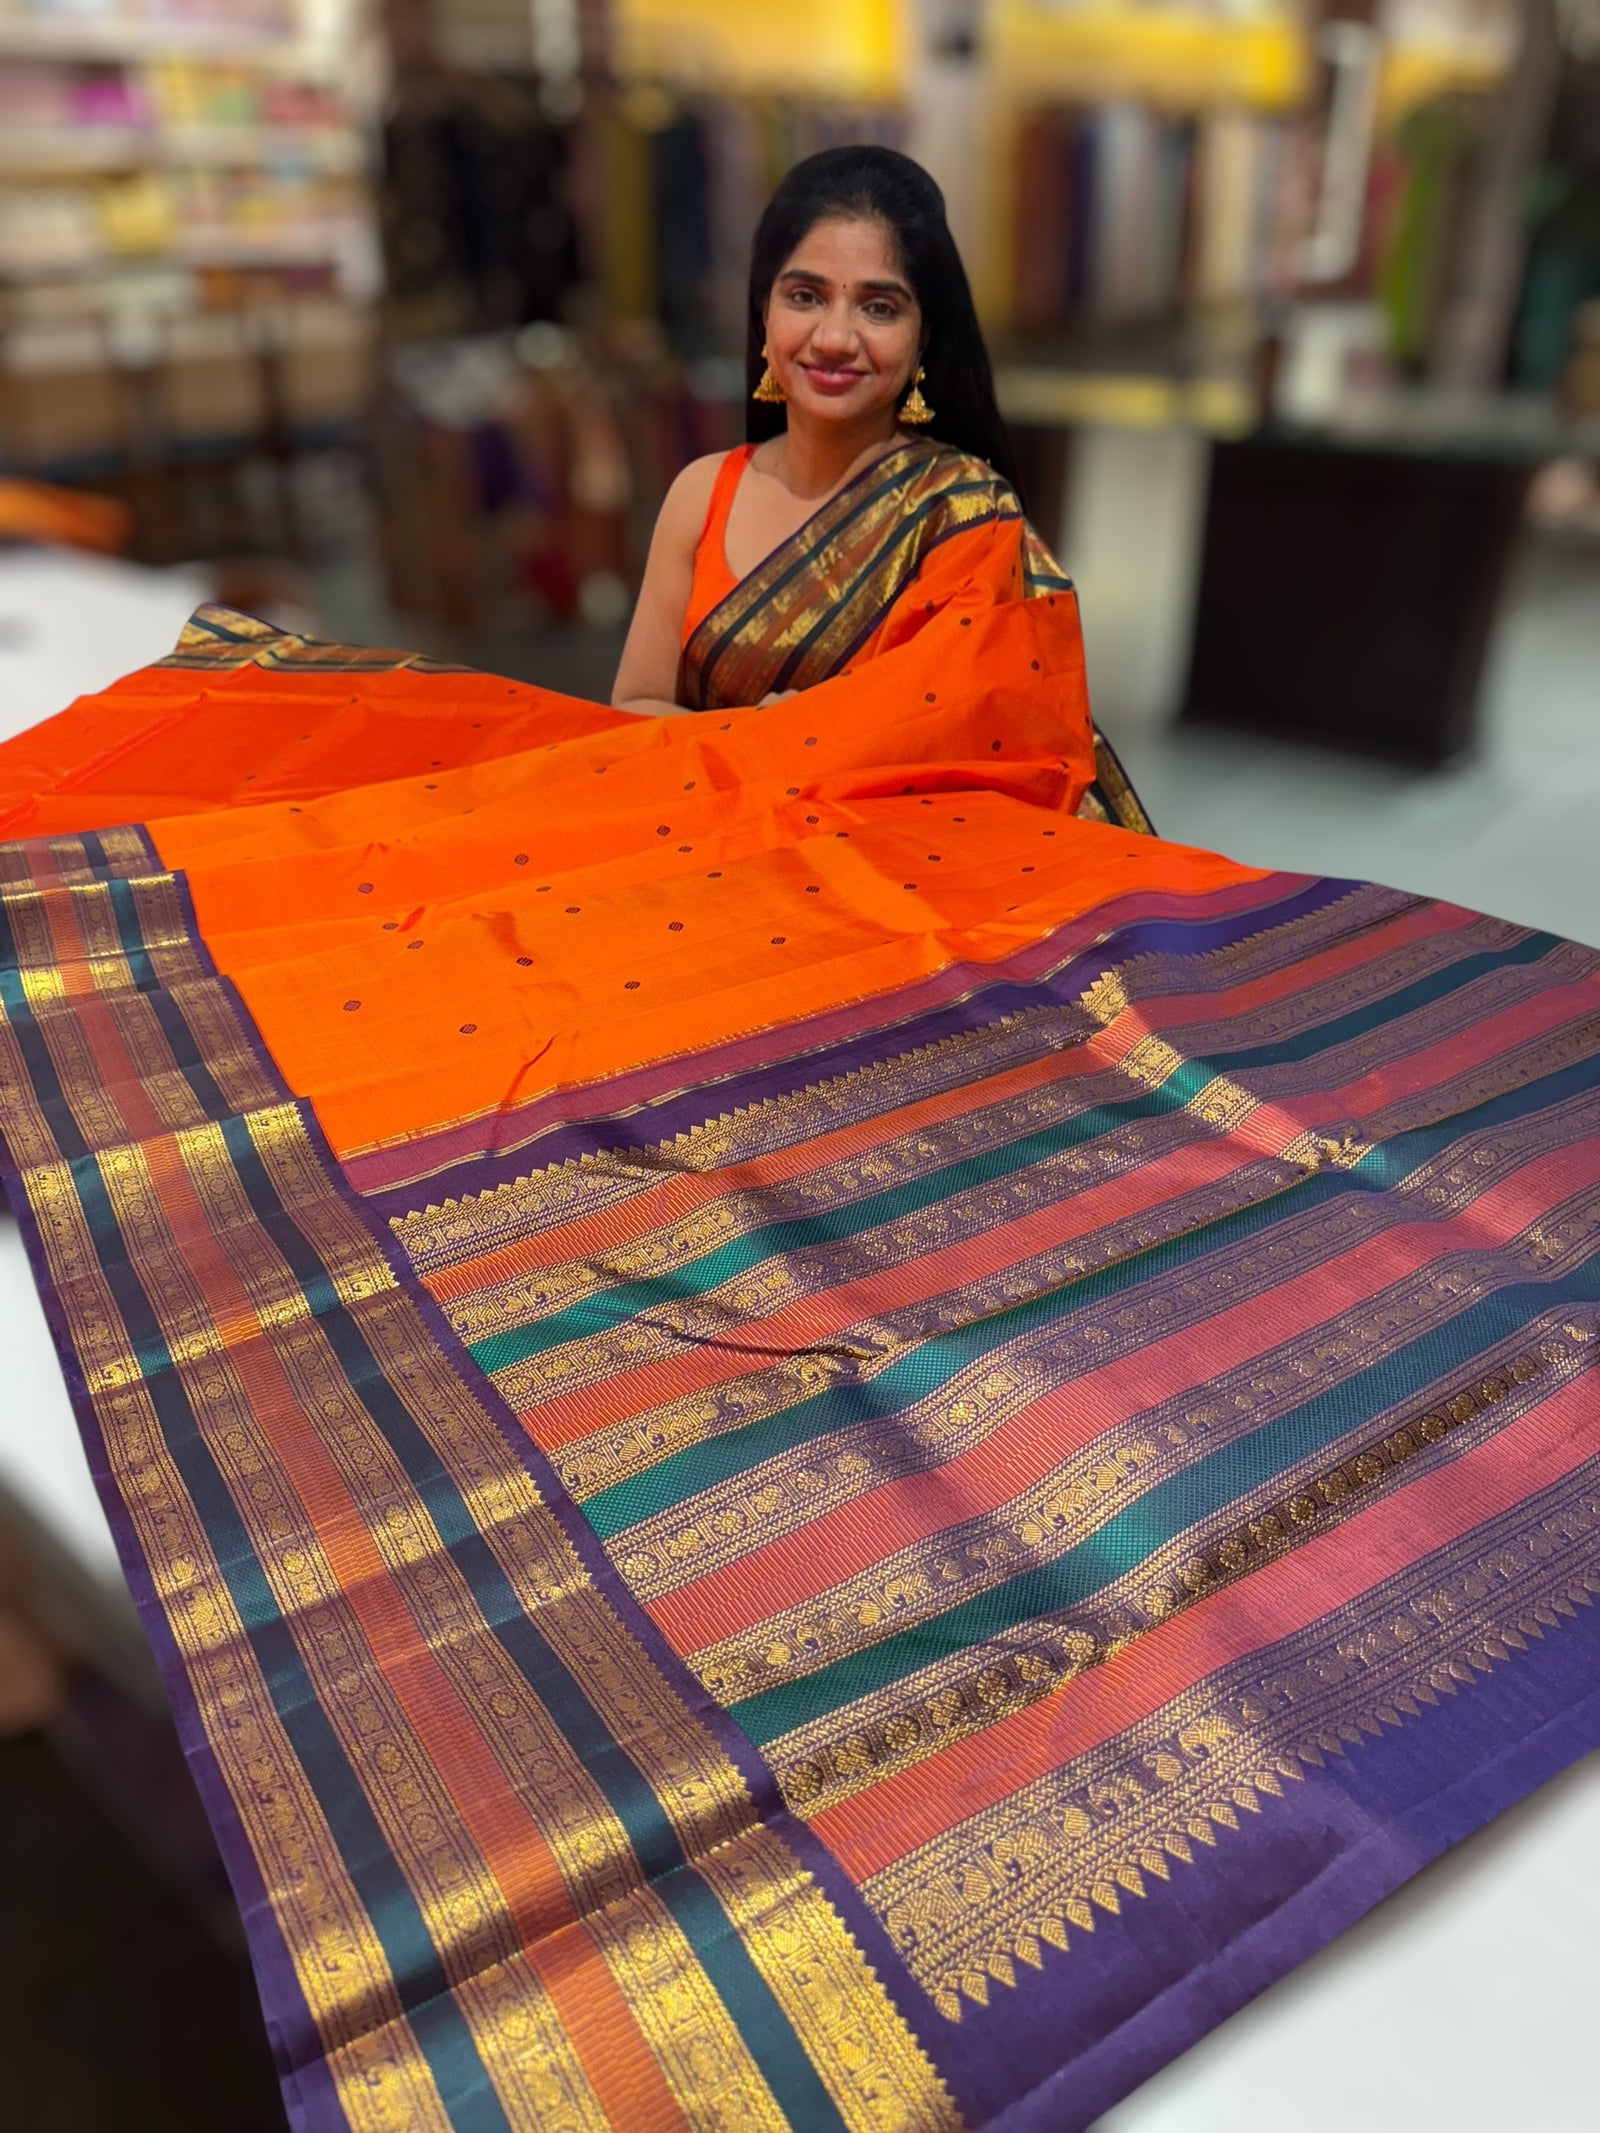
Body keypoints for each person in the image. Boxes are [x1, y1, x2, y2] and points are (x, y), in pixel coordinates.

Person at [612, 144, 1149, 831]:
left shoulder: (965, 516)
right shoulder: (702, 492)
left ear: (923, 338)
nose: (834, 337)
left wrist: (806, 745)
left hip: (895, 884)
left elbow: (985, 762)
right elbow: (630, 713)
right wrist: (767, 741)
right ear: (764, 316)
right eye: (804, 296)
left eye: (879, 307)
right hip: (703, 854)